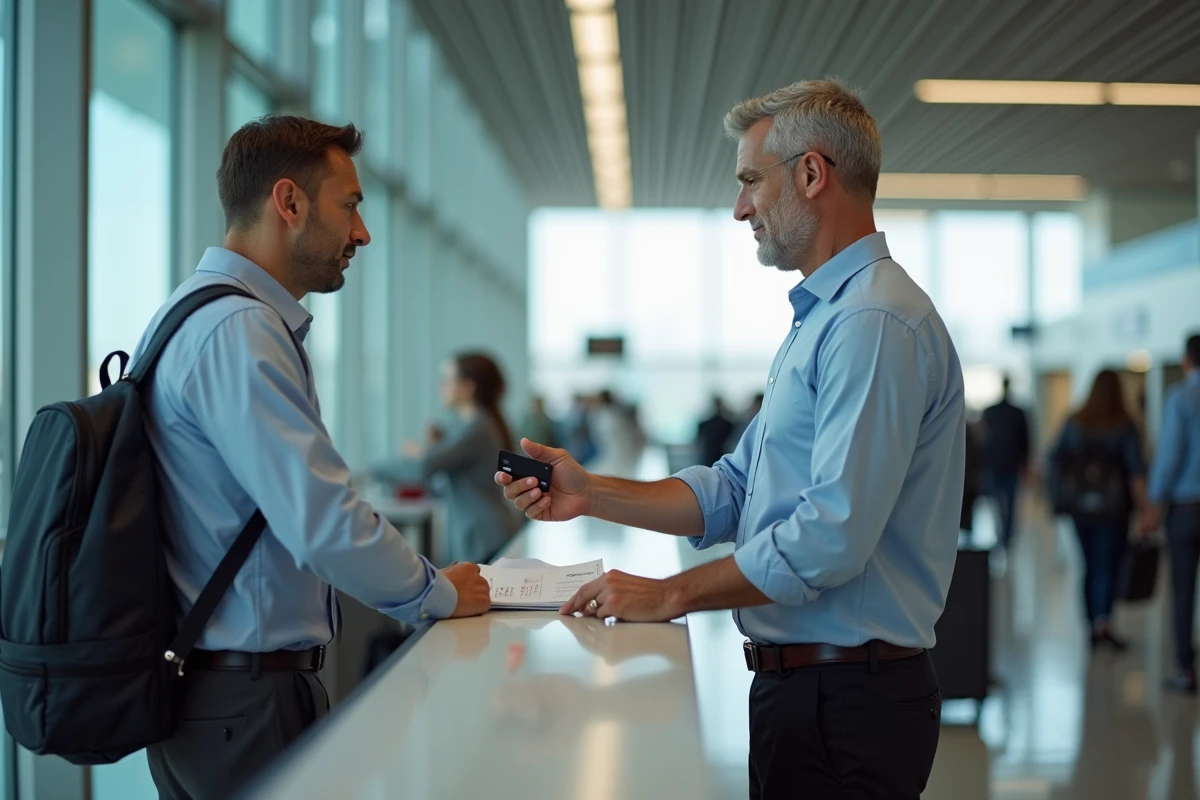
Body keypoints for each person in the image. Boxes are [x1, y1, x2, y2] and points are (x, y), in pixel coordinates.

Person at [498, 79, 964, 799]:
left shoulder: (873, 323)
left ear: (811, 174)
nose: (740, 207)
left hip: (849, 699)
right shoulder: (825, 320)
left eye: (751, 181)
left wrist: (669, 593)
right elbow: (735, 489)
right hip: (811, 689)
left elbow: (829, 536)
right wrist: (591, 495)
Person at [133, 116, 491, 800]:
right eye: (350, 206)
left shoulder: (193, 314)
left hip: (221, 694)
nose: (363, 233)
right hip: (242, 700)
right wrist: (439, 592)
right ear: (289, 203)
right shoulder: (239, 330)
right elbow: (321, 518)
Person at [375, 353, 525, 564]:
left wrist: (372, 469)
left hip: (482, 535)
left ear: (467, 387)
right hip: (475, 532)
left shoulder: (477, 428)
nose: (441, 386)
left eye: (447, 380)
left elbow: (423, 468)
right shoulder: (465, 426)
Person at [1050, 369, 1148, 652]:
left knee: (1089, 564)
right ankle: (1103, 624)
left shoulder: (1076, 421)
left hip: (1080, 507)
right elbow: (1136, 471)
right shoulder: (1125, 424)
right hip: (1114, 509)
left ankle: (1091, 622)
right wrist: (1145, 508)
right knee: (1107, 566)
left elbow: (1056, 457)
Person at [1142, 334, 1200, 692]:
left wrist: (1153, 504)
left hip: (1187, 510)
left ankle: (1186, 670)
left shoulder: (1181, 398)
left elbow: (1170, 458)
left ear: (1186, 361)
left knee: (1183, 591)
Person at [982, 375, 1031, 549]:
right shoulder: (1016, 413)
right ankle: (1005, 535)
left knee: (999, 502)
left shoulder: (992, 412)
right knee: (1007, 503)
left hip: (998, 464)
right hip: (1006, 464)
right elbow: (1026, 441)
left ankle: (1004, 535)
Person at [696, 395, 736, 467]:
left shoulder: (704, 424)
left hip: (709, 457)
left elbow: (698, 442)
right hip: (722, 457)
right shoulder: (728, 424)